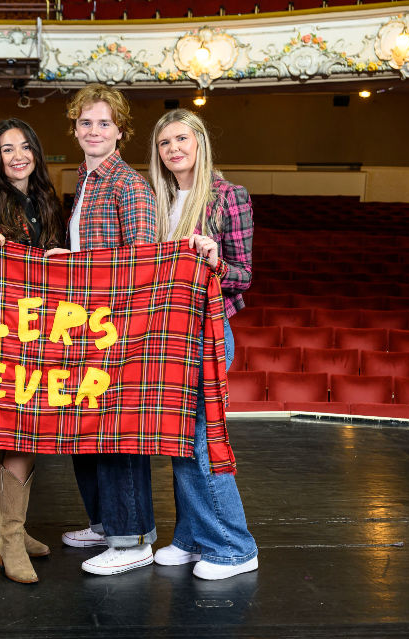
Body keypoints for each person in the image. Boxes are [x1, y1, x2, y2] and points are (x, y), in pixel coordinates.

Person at [48, 83, 161, 576]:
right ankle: (105, 521)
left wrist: (76, 263)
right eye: (85, 123)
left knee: (118, 432)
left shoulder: (128, 185)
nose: (94, 131)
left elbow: (142, 263)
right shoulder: (87, 178)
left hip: (119, 329)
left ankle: (132, 539)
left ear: (120, 131)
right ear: (75, 129)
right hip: (86, 328)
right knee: (87, 430)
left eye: (104, 123)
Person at [147, 108, 258, 580]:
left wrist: (214, 259)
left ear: (199, 142)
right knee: (178, 440)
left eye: (181, 139)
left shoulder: (229, 196)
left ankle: (234, 547)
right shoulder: (158, 198)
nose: (173, 149)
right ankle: (192, 538)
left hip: (209, 333)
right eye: (164, 143)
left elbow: (244, 274)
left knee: (199, 442)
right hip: (168, 335)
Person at [0, 117, 65, 584]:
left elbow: (60, 255)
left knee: (30, 430)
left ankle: (9, 530)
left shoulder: (48, 199)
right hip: (3, 334)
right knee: (19, 432)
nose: (18, 155)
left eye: (25, 146)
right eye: (8, 149)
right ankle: (9, 535)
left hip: (43, 331)